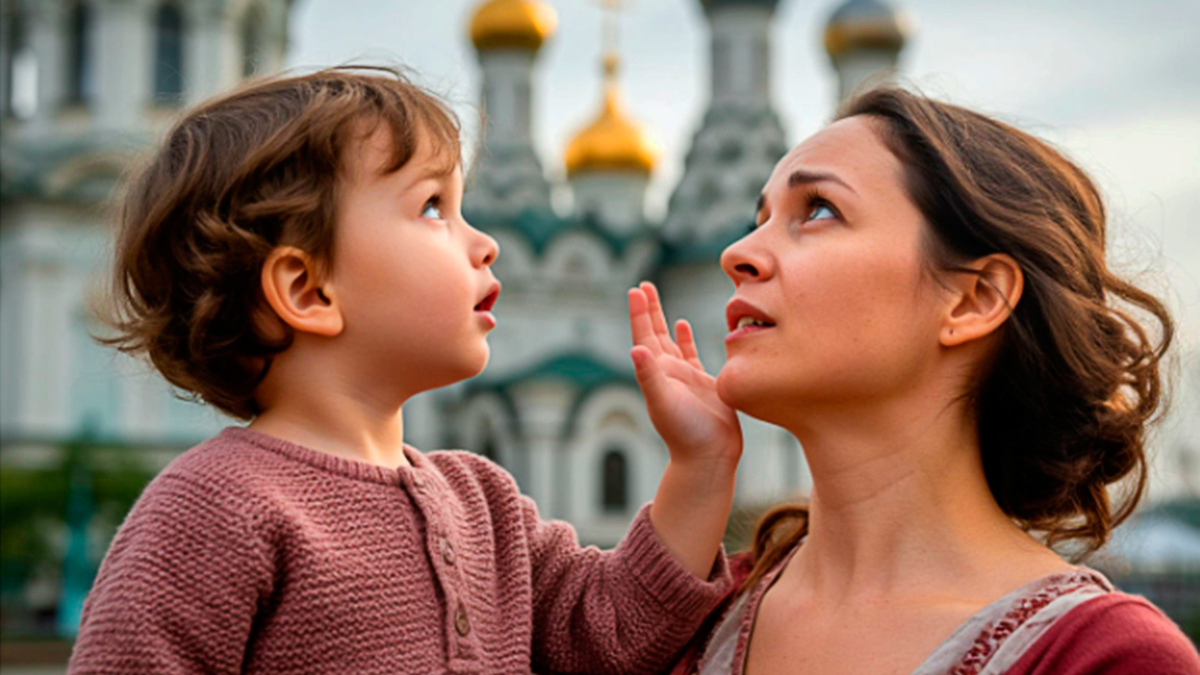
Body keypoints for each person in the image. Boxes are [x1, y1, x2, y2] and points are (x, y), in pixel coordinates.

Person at [68, 67, 741, 674]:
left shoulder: (486, 503)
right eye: (432, 208)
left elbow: (612, 632)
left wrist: (701, 465)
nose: (487, 243)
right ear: (308, 290)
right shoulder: (214, 510)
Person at [623, 88, 1200, 674]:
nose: (737, 253)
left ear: (973, 300)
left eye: (818, 209)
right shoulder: (678, 616)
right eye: (761, 218)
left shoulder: (1107, 659)